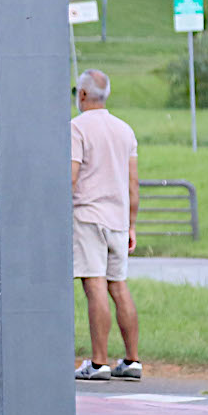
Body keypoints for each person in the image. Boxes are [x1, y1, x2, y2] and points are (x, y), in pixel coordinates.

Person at [71, 68, 142, 381]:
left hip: (87, 216)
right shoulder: (124, 130)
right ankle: (132, 359)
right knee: (119, 286)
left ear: (83, 94)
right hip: (118, 218)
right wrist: (131, 225)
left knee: (94, 283)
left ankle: (98, 362)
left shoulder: (76, 128)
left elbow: (70, 177)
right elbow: (133, 184)